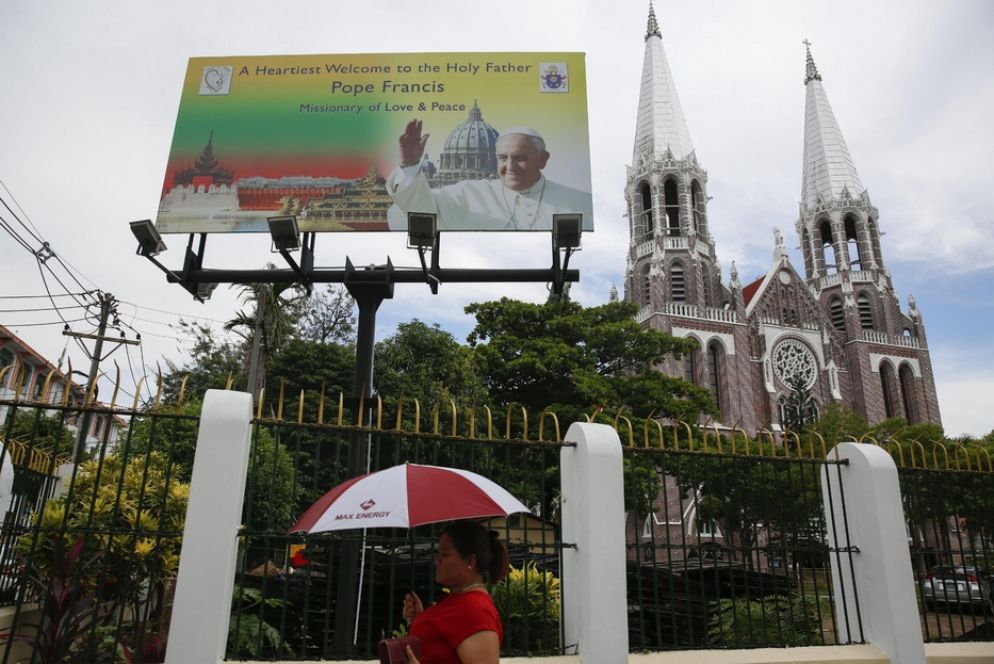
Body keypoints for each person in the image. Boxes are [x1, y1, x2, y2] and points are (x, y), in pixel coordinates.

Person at [386, 119, 593, 231]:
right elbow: (419, 212)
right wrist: (410, 166)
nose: (510, 166)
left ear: (543, 159)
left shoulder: (580, 203)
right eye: (503, 158)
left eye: (520, 157)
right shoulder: (468, 194)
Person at [401, 520, 509, 663]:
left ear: (470, 561)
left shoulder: (474, 609)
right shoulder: (460, 601)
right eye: (437, 554)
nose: (436, 561)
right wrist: (419, 619)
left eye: (445, 555)